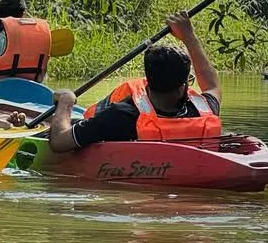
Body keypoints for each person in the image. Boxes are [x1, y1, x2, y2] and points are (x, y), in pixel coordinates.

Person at [47, 12, 221, 152]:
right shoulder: (201, 110)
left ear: (147, 82)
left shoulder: (122, 116)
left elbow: (59, 141)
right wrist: (188, 36)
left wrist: (66, 101)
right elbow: (212, 85)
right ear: (182, 88)